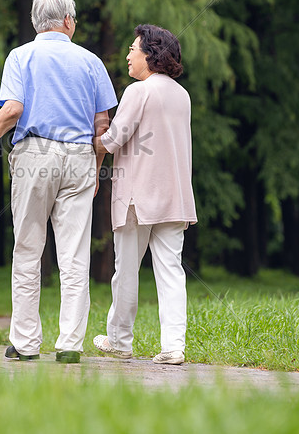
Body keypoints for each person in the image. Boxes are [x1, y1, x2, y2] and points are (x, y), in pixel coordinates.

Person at [0, 0, 117, 364]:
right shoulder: (91, 61)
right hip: (79, 157)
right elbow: (103, 125)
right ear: (67, 21)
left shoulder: (21, 56)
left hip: (34, 154)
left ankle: (25, 343)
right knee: (73, 254)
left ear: (38, 22)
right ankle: (69, 344)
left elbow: (14, 109)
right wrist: (96, 164)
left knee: (28, 248)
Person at [92, 24, 197, 365]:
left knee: (126, 270)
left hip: (138, 196)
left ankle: (120, 340)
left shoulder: (139, 92)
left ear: (150, 55)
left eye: (132, 49)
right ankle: (174, 346)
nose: (127, 55)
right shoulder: (182, 95)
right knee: (171, 270)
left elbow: (113, 140)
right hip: (175, 196)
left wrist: (93, 140)